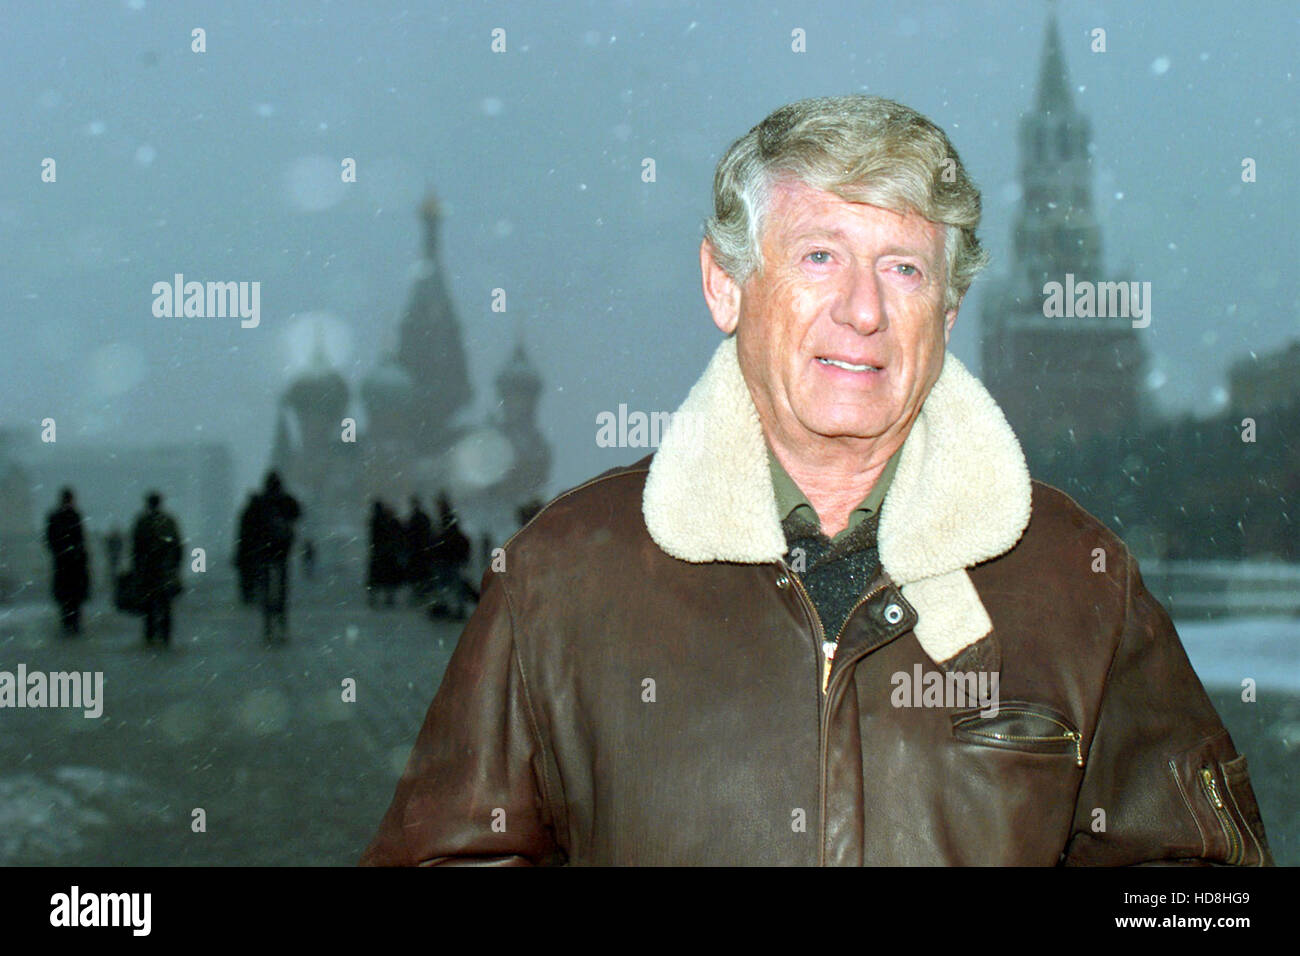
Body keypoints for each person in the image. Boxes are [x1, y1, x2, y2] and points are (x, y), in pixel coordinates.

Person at [361, 94, 1272, 866]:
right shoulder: (564, 577)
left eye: (904, 269)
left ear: (948, 312)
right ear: (725, 284)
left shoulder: (1078, 582)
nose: (864, 310)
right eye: (819, 256)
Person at [247, 472, 301, 644]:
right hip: (282, 549)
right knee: (282, 587)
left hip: (263, 551)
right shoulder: (286, 500)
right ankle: (282, 619)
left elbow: (250, 526)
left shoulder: (260, 501)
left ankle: (268, 623)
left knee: (265, 587)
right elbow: (298, 514)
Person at [131, 491, 182, 647]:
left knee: (149, 604)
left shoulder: (142, 522)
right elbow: (177, 545)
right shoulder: (168, 521)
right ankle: (166, 635)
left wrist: (137, 568)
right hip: (164, 569)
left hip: (148, 570)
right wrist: (175, 566)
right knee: (165, 604)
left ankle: (150, 634)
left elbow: (136, 548)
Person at [44, 487, 90, 635]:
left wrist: (59, 552)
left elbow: (50, 539)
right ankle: (73, 623)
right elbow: (80, 539)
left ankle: (68, 622)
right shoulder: (74, 516)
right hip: (73, 563)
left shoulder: (55, 516)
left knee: (65, 595)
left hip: (63, 562)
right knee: (74, 596)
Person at [403, 497, 435, 606]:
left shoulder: (413, 519)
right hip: (422, 551)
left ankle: (419, 592)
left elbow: (408, 535)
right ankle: (422, 592)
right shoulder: (423, 518)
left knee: (418, 573)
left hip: (417, 551)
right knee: (423, 573)